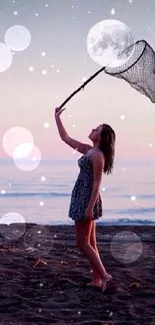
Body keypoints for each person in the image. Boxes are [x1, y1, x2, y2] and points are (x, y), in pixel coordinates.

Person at [54, 107, 116, 292]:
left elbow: (97, 184)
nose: (93, 129)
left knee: (82, 244)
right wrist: (57, 118)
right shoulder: (89, 150)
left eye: (97, 130)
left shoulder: (97, 156)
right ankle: (96, 279)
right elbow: (66, 138)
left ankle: (104, 276)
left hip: (87, 199)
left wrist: (89, 207)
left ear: (101, 138)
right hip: (82, 196)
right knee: (91, 243)